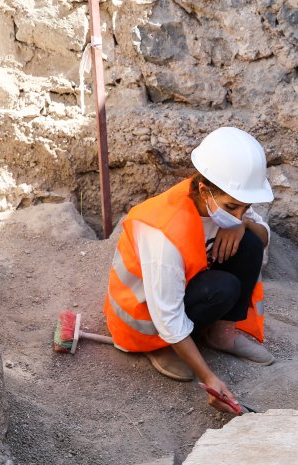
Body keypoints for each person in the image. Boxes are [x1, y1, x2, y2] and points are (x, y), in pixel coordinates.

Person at [104, 126, 274, 413]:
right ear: (205, 189)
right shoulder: (164, 232)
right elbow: (167, 316)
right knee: (225, 288)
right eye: (233, 208)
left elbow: (263, 235)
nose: (238, 215)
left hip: (183, 289)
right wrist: (209, 377)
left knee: (250, 243)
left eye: (245, 208)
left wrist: (243, 225)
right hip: (145, 318)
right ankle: (160, 348)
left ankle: (221, 335)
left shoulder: (224, 199)